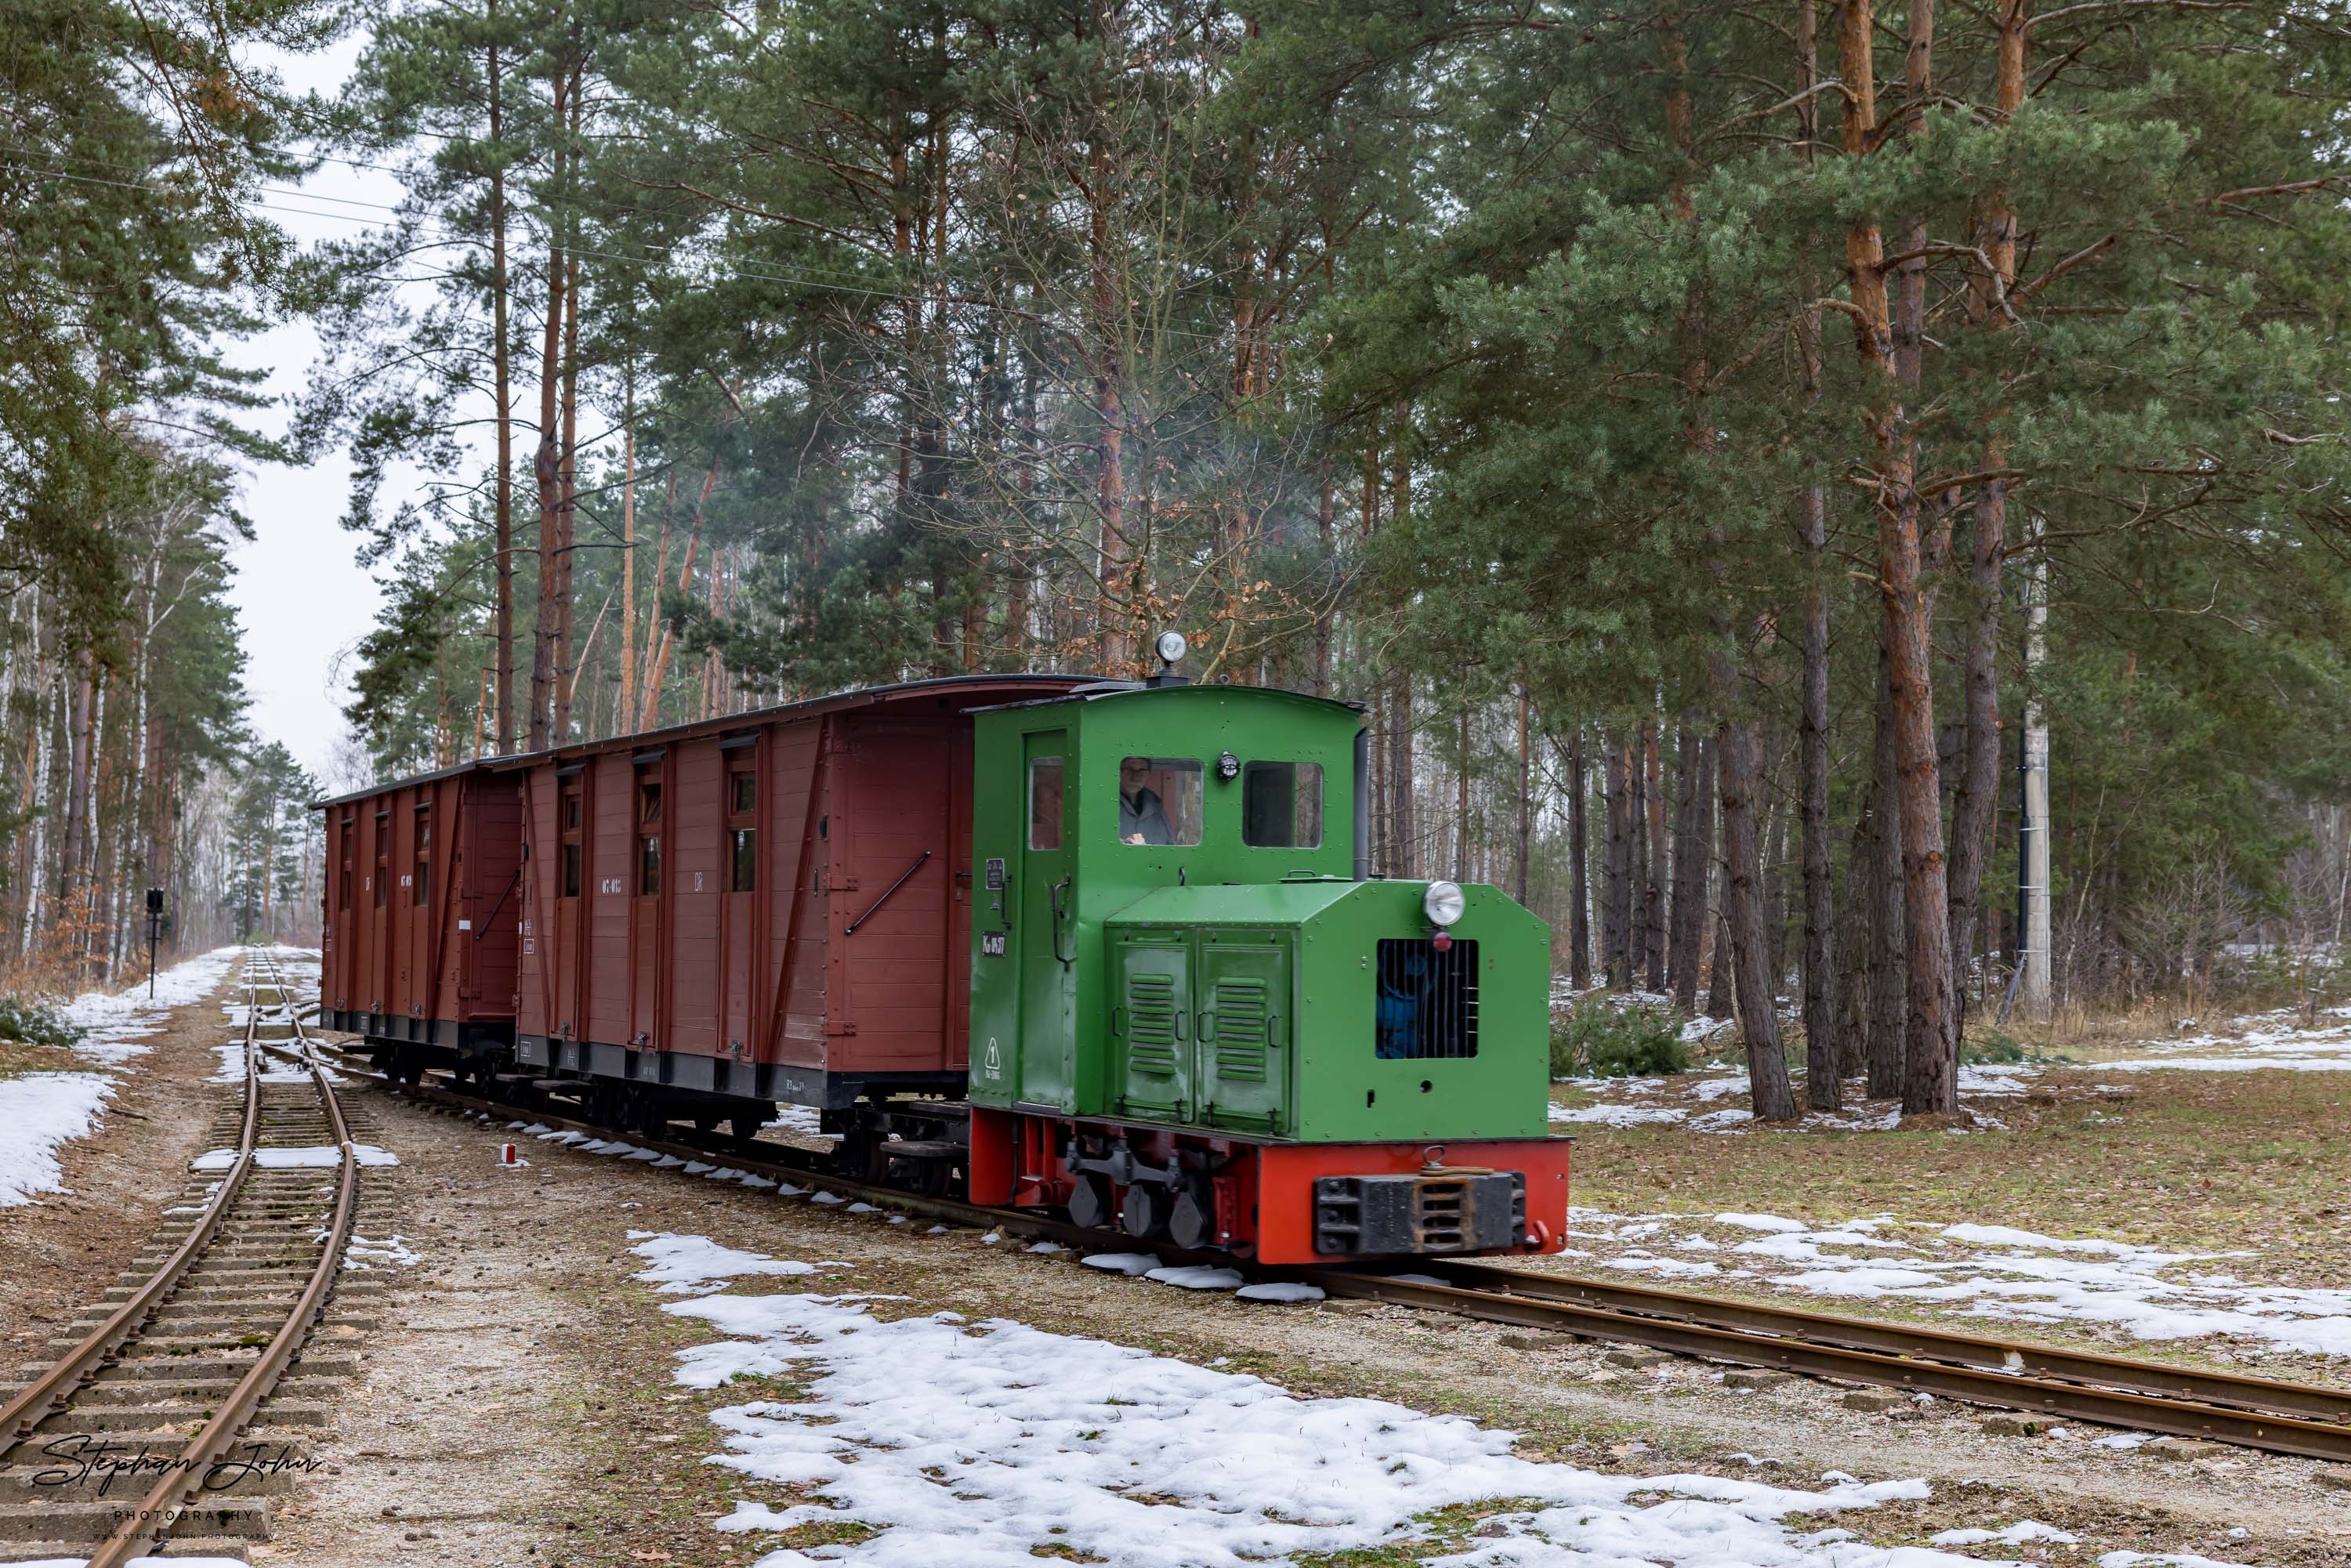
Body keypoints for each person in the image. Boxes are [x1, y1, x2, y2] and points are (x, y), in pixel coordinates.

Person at [1119, 756, 1174, 846]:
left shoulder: (1158, 811)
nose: (1135, 777)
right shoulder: (1105, 804)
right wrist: (1124, 845)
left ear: (1148, 773)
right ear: (1119, 771)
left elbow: (1170, 848)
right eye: (1129, 770)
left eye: (1141, 771)